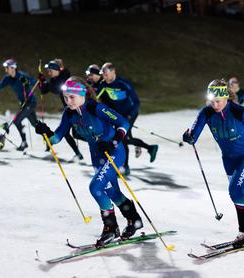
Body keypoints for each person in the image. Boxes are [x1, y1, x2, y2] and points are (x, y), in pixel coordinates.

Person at [35, 76, 143, 247]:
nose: (68, 101)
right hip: (97, 155)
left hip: (114, 151)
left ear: (82, 94)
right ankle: (134, 221)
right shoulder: (69, 114)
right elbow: (56, 138)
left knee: (95, 187)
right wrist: (45, 131)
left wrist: (114, 141)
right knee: (111, 191)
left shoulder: (96, 108)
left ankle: (110, 228)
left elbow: (123, 122)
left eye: (72, 97)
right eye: (65, 98)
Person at [182, 79, 244, 248]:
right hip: (228, 159)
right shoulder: (206, 113)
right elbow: (193, 132)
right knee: (240, 191)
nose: (214, 105)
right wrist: (189, 137)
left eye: (218, 101)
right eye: (212, 101)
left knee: (234, 190)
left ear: (226, 99)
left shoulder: (239, 111)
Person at [97, 62, 158, 175]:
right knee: (126, 139)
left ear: (113, 72)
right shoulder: (104, 84)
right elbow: (95, 96)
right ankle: (150, 148)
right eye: (102, 74)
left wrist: (129, 115)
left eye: (105, 74)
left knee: (123, 139)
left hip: (130, 114)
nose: (103, 76)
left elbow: (136, 102)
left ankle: (125, 167)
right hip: (119, 115)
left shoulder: (123, 83)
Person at [0, 58, 40, 151]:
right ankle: (48, 139)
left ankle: (24, 143)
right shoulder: (8, 79)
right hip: (23, 103)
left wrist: (27, 82)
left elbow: (35, 82)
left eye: (7, 68)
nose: (5, 70)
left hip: (30, 103)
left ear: (12, 68)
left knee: (17, 120)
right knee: (35, 124)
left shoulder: (22, 76)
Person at [38, 59, 83, 160]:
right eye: (48, 71)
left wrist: (45, 82)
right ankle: (78, 154)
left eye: (50, 71)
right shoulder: (55, 79)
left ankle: (100, 144)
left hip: (77, 109)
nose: (49, 73)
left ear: (57, 69)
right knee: (67, 133)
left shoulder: (66, 78)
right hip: (69, 110)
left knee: (78, 134)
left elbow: (55, 88)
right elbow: (44, 90)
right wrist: (41, 81)